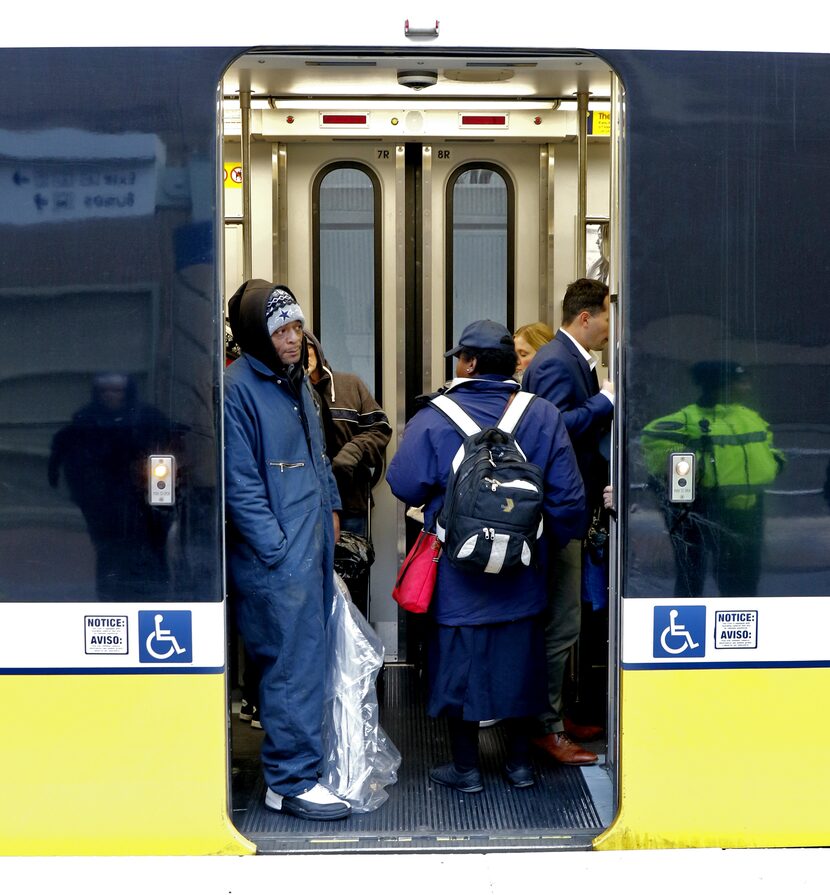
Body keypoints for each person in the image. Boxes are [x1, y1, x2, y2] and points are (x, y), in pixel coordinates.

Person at [387, 320, 586, 793]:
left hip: (459, 574)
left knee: (461, 663)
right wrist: (540, 544)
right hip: (522, 572)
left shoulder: (435, 416)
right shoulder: (541, 415)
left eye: (460, 357)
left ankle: (466, 768)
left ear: (470, 363)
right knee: (520, 660)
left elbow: (403, 483)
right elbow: (570, 501)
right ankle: (519, 766)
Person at [224, 279, 350, 821]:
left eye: (297, 327)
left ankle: (301, 768)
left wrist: (333, 510)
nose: (293, 338)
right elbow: (240, 482)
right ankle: (289, 782)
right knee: (291, 667)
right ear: (257, 334)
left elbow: (318, 455)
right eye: (280, 330)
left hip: (309, 545)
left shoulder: (295, 382)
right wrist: (276, 549)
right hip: (277, 558)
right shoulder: (238, 388)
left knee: (305, 660)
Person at [521, 277, 614, 765]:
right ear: (585, 317)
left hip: (572, 509)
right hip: (559, 514)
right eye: (605, 317)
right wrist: (604, 404)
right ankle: (546, 726)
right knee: (560, 624)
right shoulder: (557, 361)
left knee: (566, 621)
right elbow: (554, 425)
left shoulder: (569, 359)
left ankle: (556, 713)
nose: (608, 327)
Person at [641, 361, 785, 597]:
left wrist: (774, 463)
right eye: (740, 381)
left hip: (748, 514)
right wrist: (691, 466)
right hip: (707, 511)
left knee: (743, 583)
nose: (747, 387)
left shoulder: (748, 417)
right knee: (694, 578)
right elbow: (652, 437)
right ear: (721, 385)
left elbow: (767, 446)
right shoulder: (690, 418)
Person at [303, 332, 392, 539]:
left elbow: (380, 428)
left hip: (350, 502)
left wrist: (353, 451)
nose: (304, 353)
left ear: (317, 349)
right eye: (298, 349)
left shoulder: (350, 385)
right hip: (306, 505)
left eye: (308, 346)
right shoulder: (289, 394)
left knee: (350, 567)